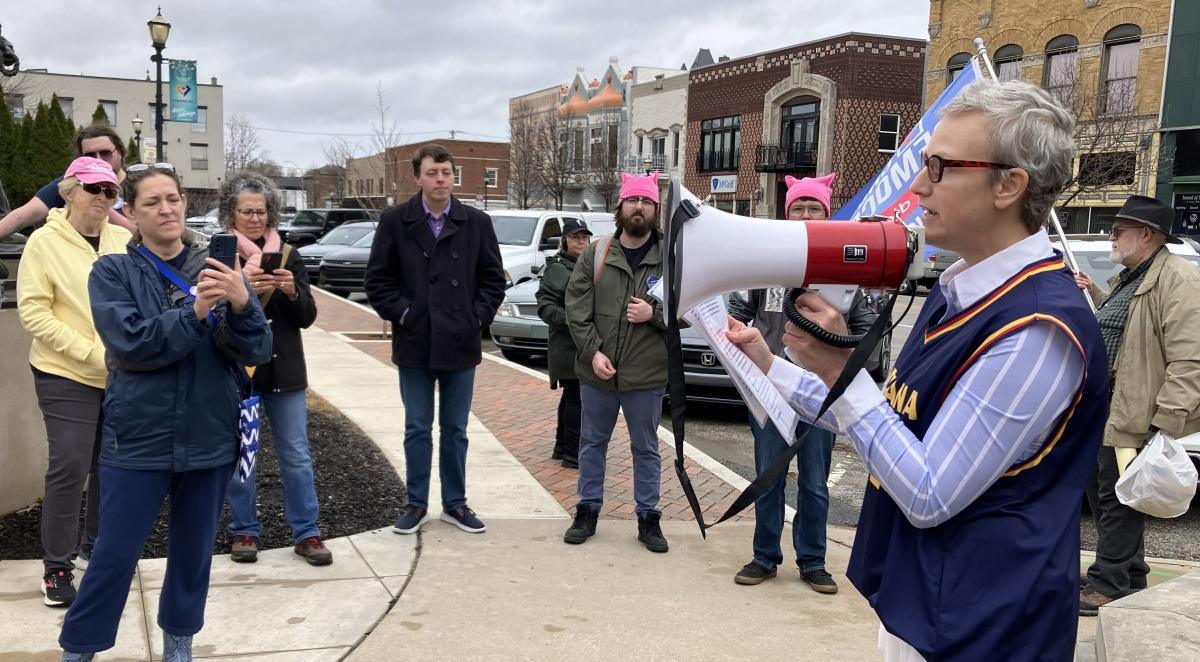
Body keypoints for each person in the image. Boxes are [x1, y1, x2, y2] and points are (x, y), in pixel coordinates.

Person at [727, 80, 1107, 661]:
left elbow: (928, 491)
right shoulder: (961, 293)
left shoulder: (1035, 328)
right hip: (931, 599)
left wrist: (837, 367)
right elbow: (888, 419)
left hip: (982, 626)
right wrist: (768, 362)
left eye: (941, 166)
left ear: (1010, 184)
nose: (919, 184)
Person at [58, 164, 271, 662]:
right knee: (113, 555)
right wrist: (195, 312)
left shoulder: (217, 269)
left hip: (209, 436)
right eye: (152, 202)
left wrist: (241, 304)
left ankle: (180, 648)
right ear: (129, 213)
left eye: (173, 198)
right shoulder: (112, 271)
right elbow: (132, 345)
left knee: (193, 556)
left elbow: (258, 350)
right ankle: (80, 650)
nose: (167, 208)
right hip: (137, 438)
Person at [727, 173, 879, 595]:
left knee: (814, 482)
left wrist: (835, 333)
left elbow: (867, 331)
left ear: (828, 214)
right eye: (799, 208)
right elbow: (738, 309)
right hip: (771, 389)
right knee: (768, 476)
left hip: (820, 395)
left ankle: (813, 561)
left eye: (815, 208)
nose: (806, 215)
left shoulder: (843, 269)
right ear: (787, 212)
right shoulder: (768, 264)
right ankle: (764, 556)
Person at [365, 144, 506, 535]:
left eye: (446, 171)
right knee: (417, 428)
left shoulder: (476, 223)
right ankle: (415, 503)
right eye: (432, 172)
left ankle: (455, 504)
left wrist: (476, 317)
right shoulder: (396, 221)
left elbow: (494, 280)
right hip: (415, 341)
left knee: (456, 429)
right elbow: (378, 281)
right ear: (418, 177)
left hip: (460, 341)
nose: (440, 179)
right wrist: (407, 314)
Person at [1074, 195, 1200, 615]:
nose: (1112, 236)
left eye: (1119, 230)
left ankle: (1107, 583)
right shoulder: (1135, 276)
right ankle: (1131, 574)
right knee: (1116, 489)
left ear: (1146, 235)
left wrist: (1165, 420)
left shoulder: (1178, 279)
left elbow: (1190, 356)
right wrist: (1094, 291)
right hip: (1109, 405)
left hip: (1134, 411)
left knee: (1116, 497)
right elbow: (1125, 327)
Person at [17, 157, 131, 607]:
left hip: (120, 374)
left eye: (110, 191)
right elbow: (34, 312)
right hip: (64, 372)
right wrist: (91, 352)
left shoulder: (123, 239)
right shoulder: (44, 242)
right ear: (69, 191)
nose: (103, 198)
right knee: (69, 465)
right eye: (94, 189)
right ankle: (57, 566)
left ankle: (96, 549)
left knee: (110, 466)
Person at [219, 173, 329, 566]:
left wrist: (291, 291)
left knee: (296, 454)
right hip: (239, 373)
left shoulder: (288, 255)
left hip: (285, 371)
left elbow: (306, 317)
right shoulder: (221, 254)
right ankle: (244, 531)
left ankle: (308, 533)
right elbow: (212, 317)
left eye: (261, 211)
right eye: (246, 211)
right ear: (230, 213)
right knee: (241, 454)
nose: (254, 218)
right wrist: (242, 286)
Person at [562, 172, 670, 553]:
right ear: (620, 206)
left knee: (646, 448)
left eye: (646, 202)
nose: (639, 208)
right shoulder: (598, 252)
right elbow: (576, 308)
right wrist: (593, 353)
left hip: (647, 375)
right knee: (592, 443)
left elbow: (688, 310)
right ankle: (587, 510)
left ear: (656, 209)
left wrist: (654, 314)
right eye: (633, 201)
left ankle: (648, 518)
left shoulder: (671, 256)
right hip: (598, 373)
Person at [0, 125, 135, 239]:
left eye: (105, 153)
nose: (98, 160)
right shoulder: (72, 182)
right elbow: (22, 216)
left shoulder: (141, 183)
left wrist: (101, 206)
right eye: (90, 155)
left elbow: (146, 235)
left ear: (120, 151)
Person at [536, 218, 592, 469]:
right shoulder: (557, 269)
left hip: (582, 343)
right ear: (564, 240)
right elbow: (545, 306)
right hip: (567, 345)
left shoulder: (587, 265)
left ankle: (562, 447)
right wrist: (573, 322)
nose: (580, 241)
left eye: (584, 237)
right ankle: (572, 454)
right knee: (576, 396)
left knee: (572, 395)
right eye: (575, 237)